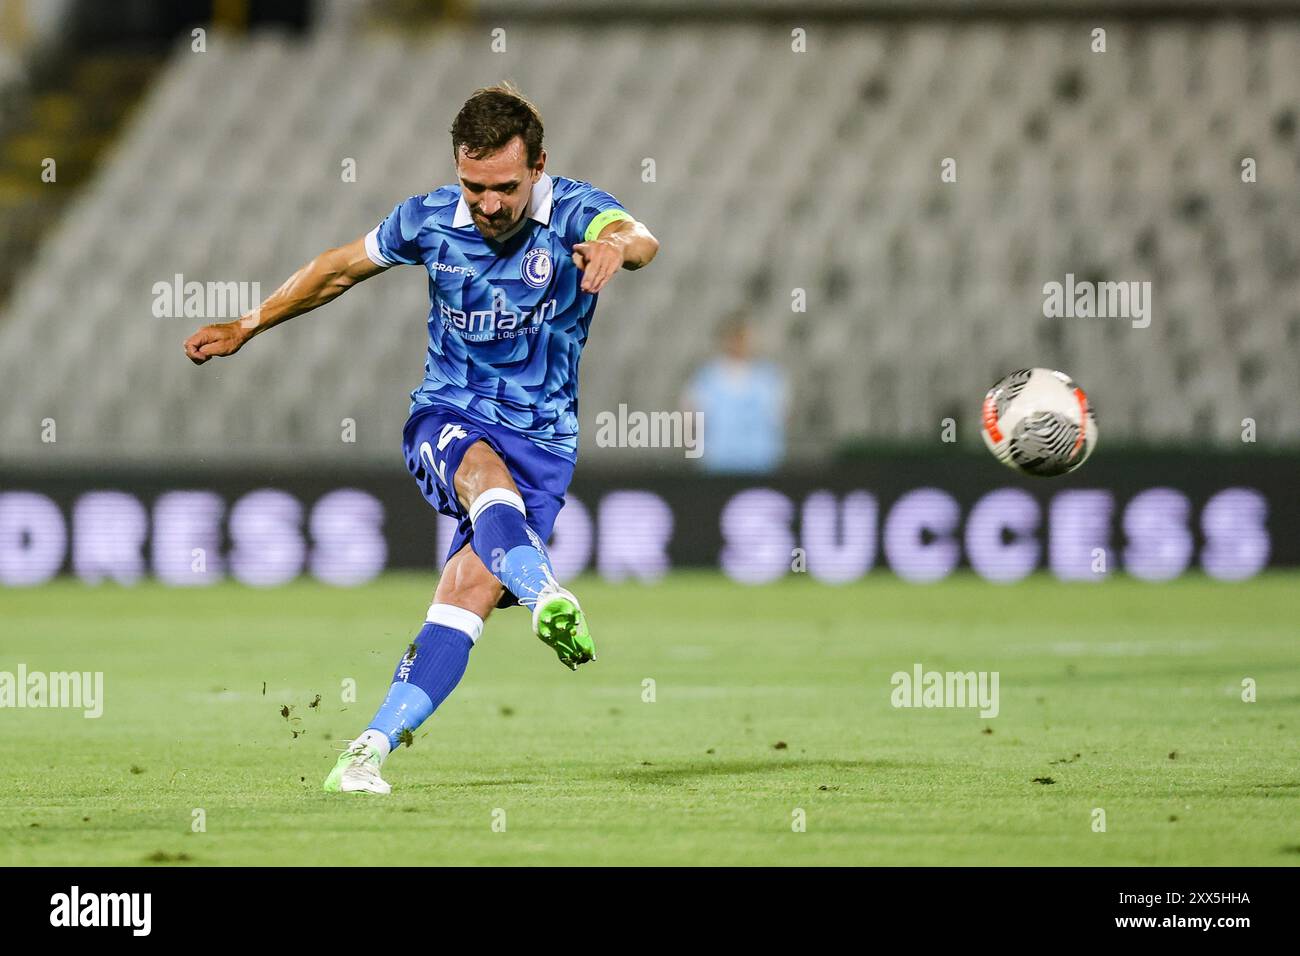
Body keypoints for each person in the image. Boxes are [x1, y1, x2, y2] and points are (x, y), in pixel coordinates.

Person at [182, 84, 659, 794]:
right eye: (474, 187)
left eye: (503, 187)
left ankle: (364, 754)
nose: (489, 205)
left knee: (465, 592)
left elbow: (640, 237)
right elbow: (338, 268)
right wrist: (249, 323)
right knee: (480, 470)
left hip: (546, 445)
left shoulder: (577, 213)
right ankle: (545, 593)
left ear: (538, 167)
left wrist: (617, 250)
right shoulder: (430, 219)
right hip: (449, 415)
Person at [683, 315, 786, 474]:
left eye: (744, 338)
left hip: (760, 462)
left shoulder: (769, 378)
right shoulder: (706, 378)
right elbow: (691, 418)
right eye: (735, 338)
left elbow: (778, 417)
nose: (740, 343)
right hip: (717, 463)